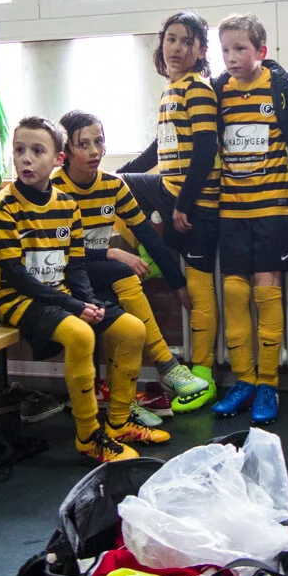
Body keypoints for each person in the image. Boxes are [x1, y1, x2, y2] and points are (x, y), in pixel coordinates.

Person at [0, 116, 163, 463]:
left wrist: (89, 302)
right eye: (19, 150)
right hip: (17, 299)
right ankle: (88, 436)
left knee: (132, 329)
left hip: (62, 294)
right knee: (82, 335)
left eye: (37, 151)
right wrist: (74, 305)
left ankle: (119, 423)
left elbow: (76, 265)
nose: (26, 159)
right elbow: (16, 276)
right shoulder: (2, 207)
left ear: (57, 159)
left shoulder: (67, 205)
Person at [53, 108, 212, 418]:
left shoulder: (112, 186)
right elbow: (56, 251)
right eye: (83, 144)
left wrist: (178, 284)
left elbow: (147, 237)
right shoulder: (55, 189)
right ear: (66, 151)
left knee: (122, 293)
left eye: (99, 142)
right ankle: (167, 366)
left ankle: (123, 397)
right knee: (121, 269)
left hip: (96, 273)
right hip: (62, 274)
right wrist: (109, 253)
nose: (95, 151)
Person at [119, 11, 220, 408]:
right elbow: (157, 150)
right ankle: (153, 257)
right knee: (122, 186)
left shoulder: (197, 88)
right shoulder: (171, 90)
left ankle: (204, 374)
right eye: (170, 40)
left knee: (199, 291)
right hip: (170, 191)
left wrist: (184, 202)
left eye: (185, 41)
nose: (176, 48)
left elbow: (205, 150)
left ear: (200, 50)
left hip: (195, 203)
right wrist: (118, 174)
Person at [209, 14, 288, 426]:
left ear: (261, 52)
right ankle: (243, 380)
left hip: (272, 210)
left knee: (266, 295)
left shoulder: (281, 88)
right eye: (226, 49)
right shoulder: (216, 91)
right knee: (233, 295)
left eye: (240, 49)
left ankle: (269, 383)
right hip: (231, 210)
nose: (231, 57)